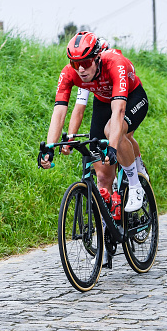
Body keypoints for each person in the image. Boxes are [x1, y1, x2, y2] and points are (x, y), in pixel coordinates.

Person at [39, 31, 149, 212]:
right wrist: (49, 147)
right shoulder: (70, 73)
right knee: (103, 176)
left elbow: (119, 109)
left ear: (97, 58)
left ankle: (136, 186)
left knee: (113, 130)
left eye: (85, 63)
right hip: (103, 102)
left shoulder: (115, 64)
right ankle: (107, 226)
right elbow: (59, 112)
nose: (80, 69)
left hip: (131, 98)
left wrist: (112, 147)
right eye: (75, 63)